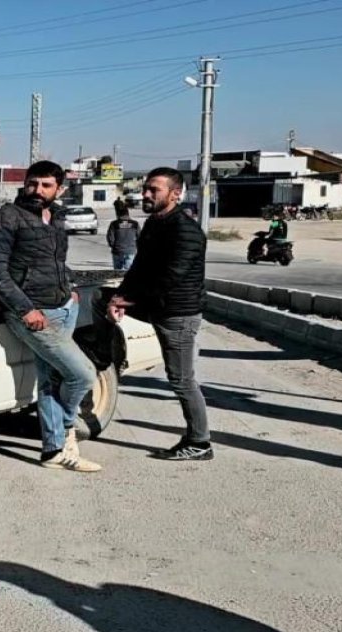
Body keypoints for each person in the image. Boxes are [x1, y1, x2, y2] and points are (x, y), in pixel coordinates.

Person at [0, 160, 102, 473]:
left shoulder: (56, 217)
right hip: (35, 314)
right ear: (25, 184)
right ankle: (66, 429)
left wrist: (71, 288)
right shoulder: (7, 218)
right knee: (83, 374)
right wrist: (26, 310)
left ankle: (53, 452)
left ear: (58, 189)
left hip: (63, 306)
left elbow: (56, 262)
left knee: (50, 382)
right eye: (32, 183)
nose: (37, 190)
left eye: (46, 185)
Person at [107, 167, 210, 461]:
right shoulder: (153, 224)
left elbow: (170, 278)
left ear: (175, 194)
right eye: (146, 189)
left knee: (181, 379)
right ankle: (103, 359)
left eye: (155, 190)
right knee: (100, 297)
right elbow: (140, 266)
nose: (147, 194)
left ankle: (200, 442)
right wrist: (120, 295)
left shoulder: (186, 231)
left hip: (178, 313)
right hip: (155, 305)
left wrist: (130, 299)